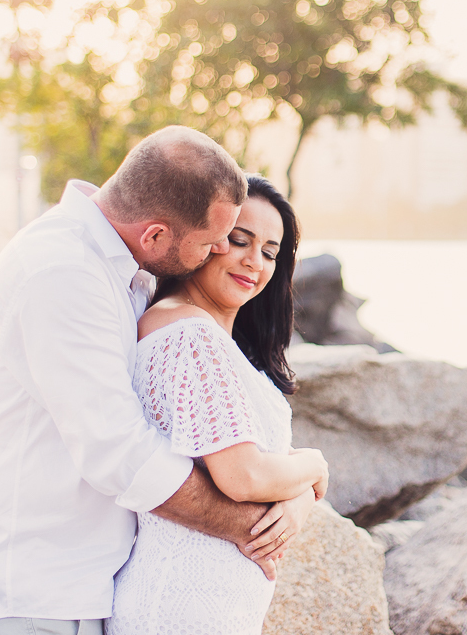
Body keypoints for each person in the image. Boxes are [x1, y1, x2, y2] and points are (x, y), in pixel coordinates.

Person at [0, 128, 314, 635]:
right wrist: (254, 526)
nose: (221, 254)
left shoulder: (120, 274)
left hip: (83, 589)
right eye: (213, 244)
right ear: (156, 234)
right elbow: (120, 452)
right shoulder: (62, 272)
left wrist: (296, 495)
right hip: (25, 595)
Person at [107, 174, 325, 633]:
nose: (254, 262)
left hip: (210, 608)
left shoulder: (215, 340)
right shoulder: (188, 332)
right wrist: (317, 467)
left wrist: (300, 497)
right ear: (205, 239)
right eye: (239, 240)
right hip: (181, 608)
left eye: (269, 252)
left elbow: (248, 462)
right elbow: (243, 476)